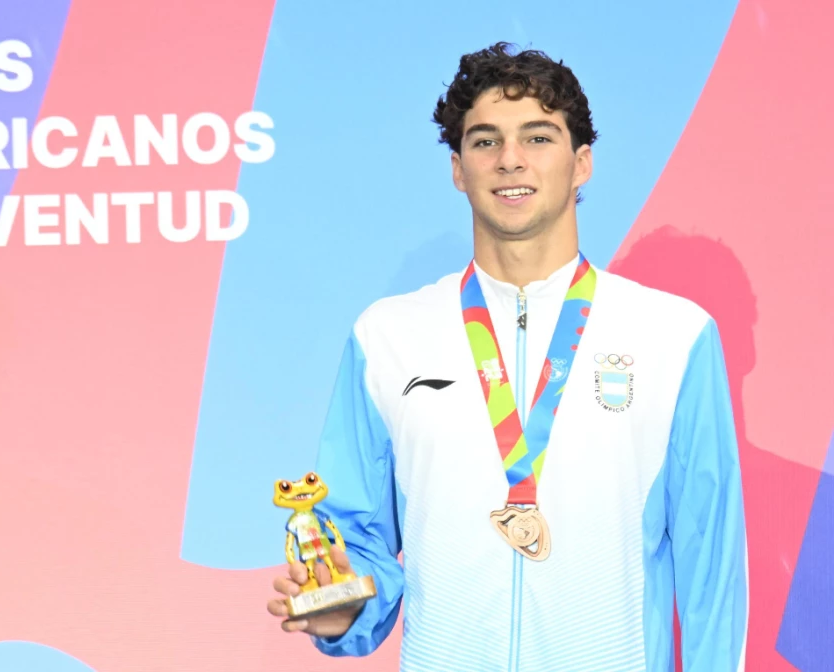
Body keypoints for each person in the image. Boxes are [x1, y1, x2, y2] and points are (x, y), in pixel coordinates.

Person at [266, 42, 749, 671]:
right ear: (458, 169)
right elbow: (357, 540)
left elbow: (712, 569)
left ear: (581, 163)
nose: (510, 159)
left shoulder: (674, 336)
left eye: (538, 137)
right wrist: (344, 607)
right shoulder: (386, 337)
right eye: (485, 140)